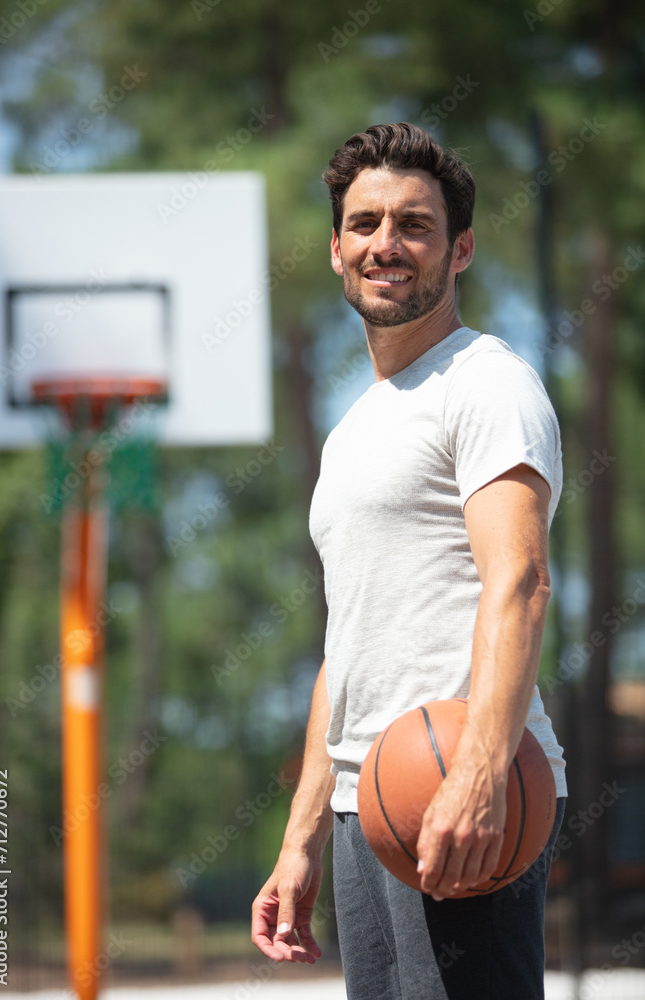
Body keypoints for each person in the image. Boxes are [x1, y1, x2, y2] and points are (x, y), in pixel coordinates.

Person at [251, 122, 567, 1000]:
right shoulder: (354, 428)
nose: (384, 244)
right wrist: (301, 837)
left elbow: (520, 583)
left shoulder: (486, 382)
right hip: (368, 811)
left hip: (461, 789)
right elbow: (346, 648)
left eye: (414, 225)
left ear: (459, 249)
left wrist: (476, 776)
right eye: (363, 223)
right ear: (334, 248)